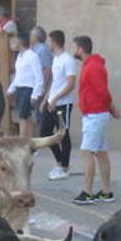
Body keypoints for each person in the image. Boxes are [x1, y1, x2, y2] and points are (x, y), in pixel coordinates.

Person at [73, 35, 119, 205]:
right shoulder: (90, 65)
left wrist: (111, 108)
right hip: (94, 113)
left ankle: (88, 192)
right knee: (100, 153)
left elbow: (103, 92)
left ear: (81, 49)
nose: (74, 51)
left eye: (75, 47)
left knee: (87, 152)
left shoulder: (92, 67)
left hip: (95, 114)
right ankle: (106, 191)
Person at [42, 29, 76, 181]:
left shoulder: (67, 60)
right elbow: (55, 82)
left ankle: (65, 167)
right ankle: (59, 162)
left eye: (49, 41)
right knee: (45, 133)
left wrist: (56, 99)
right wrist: (47, 97)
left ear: (54, 42)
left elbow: (70, 84)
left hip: (63, 104)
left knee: (63, 135)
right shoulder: (56, 59)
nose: (48, 44)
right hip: (52, 102)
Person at [6, 32, 44, 139]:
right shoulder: (19, 56)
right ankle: (30, 141)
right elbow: (18, 76)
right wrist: (11, 89)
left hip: (28, 89)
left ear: (20, 42)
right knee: (27, 117)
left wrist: (35, 95)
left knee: (22, 117)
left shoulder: (32, 56)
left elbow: (39, 77)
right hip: (19, 89)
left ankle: (22, 141)